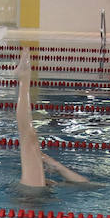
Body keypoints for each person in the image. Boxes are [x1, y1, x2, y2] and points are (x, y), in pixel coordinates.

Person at [16, 46, 86, 188]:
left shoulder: (40, 189)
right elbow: (87, 185)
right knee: (30, 139)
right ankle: (24, 78)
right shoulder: (51, 186)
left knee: (29, 138)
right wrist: (56, 165)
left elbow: (87, 185)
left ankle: (24, 80)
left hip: (31, 198)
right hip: (35, 197)